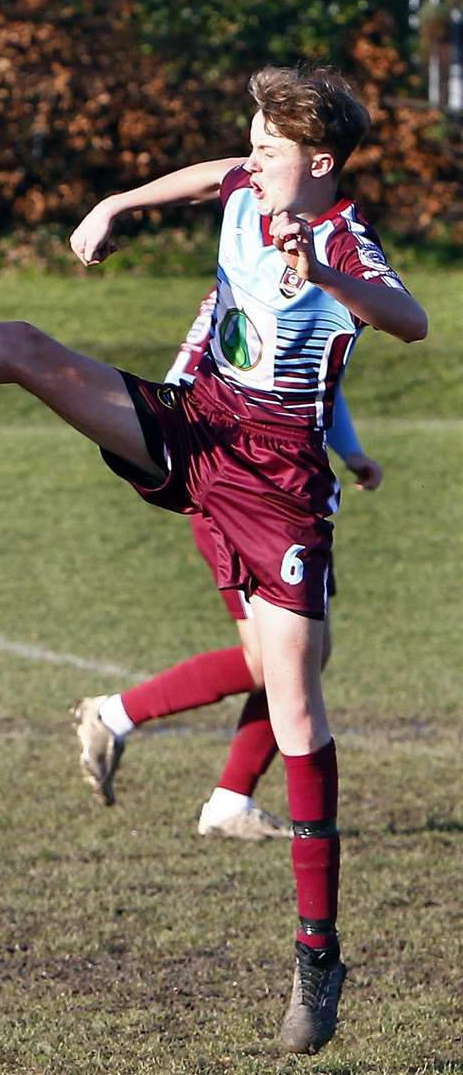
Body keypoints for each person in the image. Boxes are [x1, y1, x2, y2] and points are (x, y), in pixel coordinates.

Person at [0, 66, 428, 1053]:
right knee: (22, 347)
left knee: (295, 696)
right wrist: (116, 202)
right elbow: (213, 171)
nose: (249, 155)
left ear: (319, 163)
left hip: (276, 480)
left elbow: (409, 317)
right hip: (196, 422)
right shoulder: (251, 183)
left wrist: (327, 277)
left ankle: (317, 955)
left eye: (268, 145)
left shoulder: (340, 234)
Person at [72, 287, 385, 839]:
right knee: (280, 662)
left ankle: (226, 798)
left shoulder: (311, 278)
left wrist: (350, 449)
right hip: (238, 492)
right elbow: (185, 387)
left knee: (300, 658)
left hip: (288, 493)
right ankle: (120, 719)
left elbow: (313, 381)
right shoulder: (244, 291)